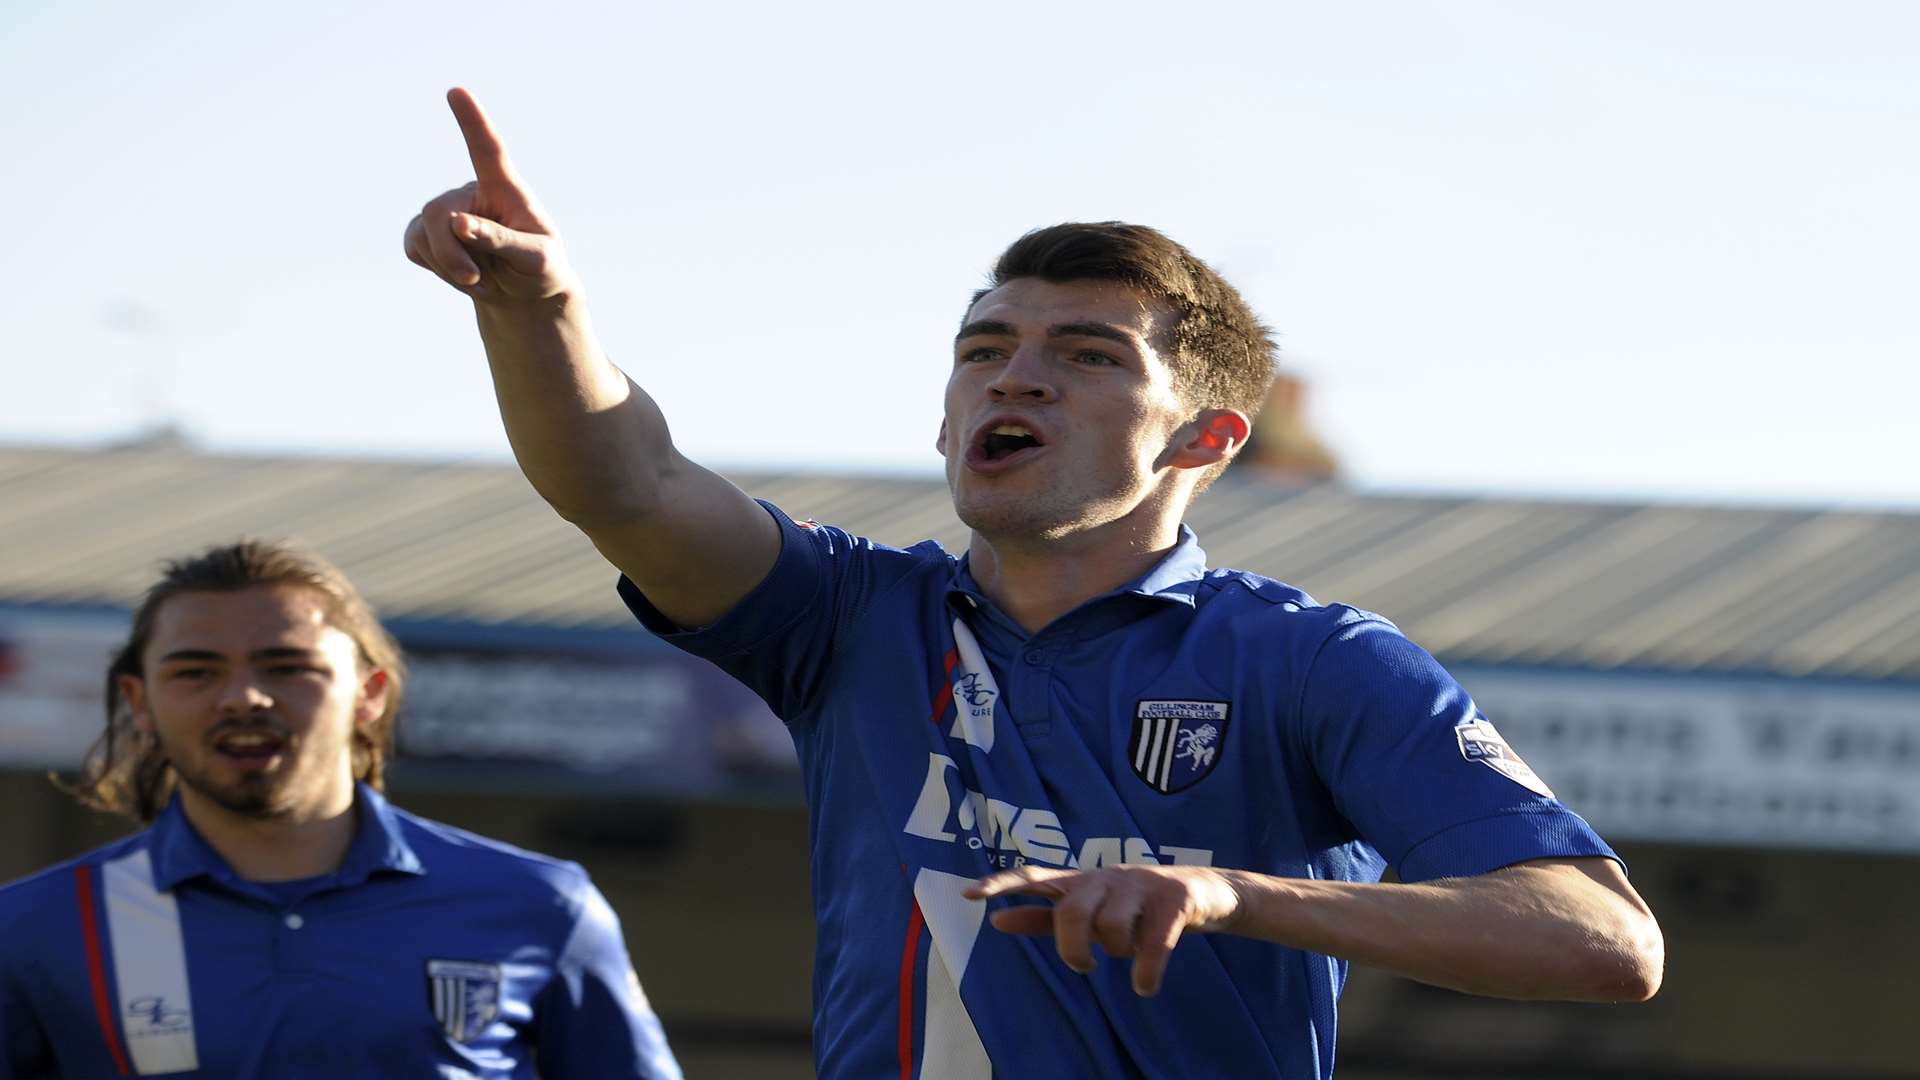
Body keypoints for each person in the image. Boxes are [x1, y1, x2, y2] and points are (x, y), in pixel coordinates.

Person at [403, 88, 1664, 1079]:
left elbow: (1605, 943)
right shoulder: (848, 618)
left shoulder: (1314, 660)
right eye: (984, 350)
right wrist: (537, 306)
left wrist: (1226, 895)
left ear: (1204, 439)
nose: (1014, 379)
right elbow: (631, 487)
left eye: (1085, 353)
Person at [0, 541, 682, 1080]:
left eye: (286, 666)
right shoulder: (35, 930)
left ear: (370, 693)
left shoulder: (537, 904)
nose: (243, 697)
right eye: (195, 671)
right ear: (140, 702)